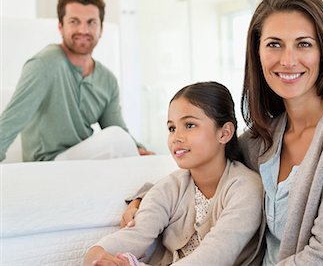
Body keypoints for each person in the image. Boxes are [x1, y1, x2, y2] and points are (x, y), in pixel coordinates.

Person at [122, 0, 323, 265]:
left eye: (304, 44)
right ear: (258, 54)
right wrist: (143, 200)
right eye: (274, 44)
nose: (288, 60)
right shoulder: (261, 139)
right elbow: (205, 169)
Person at [83, 81, 263, 266]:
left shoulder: (246, 188)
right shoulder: (170, 187)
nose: (176, 137)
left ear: (224, 133)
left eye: (190, 125)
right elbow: (136, 235)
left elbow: (214, 255)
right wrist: (98, 257)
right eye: (172, 128)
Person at [0, 0, 152, 162]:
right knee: (117, 139)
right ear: (60, 26)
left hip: (82, 164)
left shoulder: (107, 80)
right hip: (46, 164)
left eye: (91, 22)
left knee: (122, 140)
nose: (83, 30)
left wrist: (141, 151)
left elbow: (116, 126)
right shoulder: (44, 64)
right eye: (74, 21)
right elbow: (13, 118)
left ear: (101, 29)